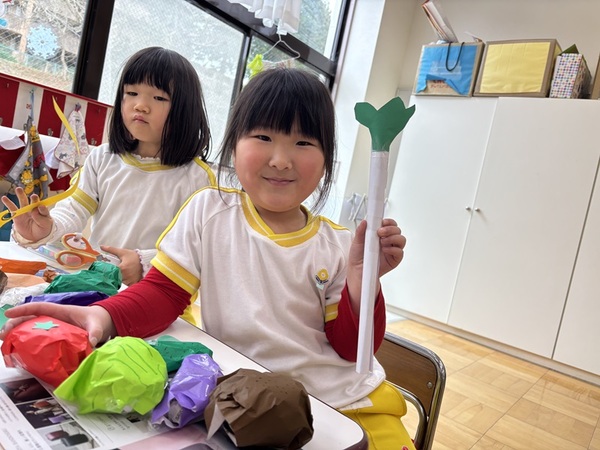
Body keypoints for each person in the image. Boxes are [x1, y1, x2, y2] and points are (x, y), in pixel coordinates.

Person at [1, 68, 414, 449]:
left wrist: (363, 282)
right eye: (263, 137)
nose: (280, 160)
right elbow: (163, 294)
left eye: (303, 143)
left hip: (346, 405)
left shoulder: (339, 244)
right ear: (234, 144)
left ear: (326, 160)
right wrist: (103, 315)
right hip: (248, 403)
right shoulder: (209, 211)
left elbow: (351, 349)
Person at [1, 47, 215, 288]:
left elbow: (196, 249)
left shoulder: (198, 178)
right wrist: (47, 229)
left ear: (185, 110)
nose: (140, 105)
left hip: (157, 295)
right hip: (98, 285)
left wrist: (145, 263)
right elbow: (73, 210)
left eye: (159, 98)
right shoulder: (102, 158)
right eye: (131, 93)